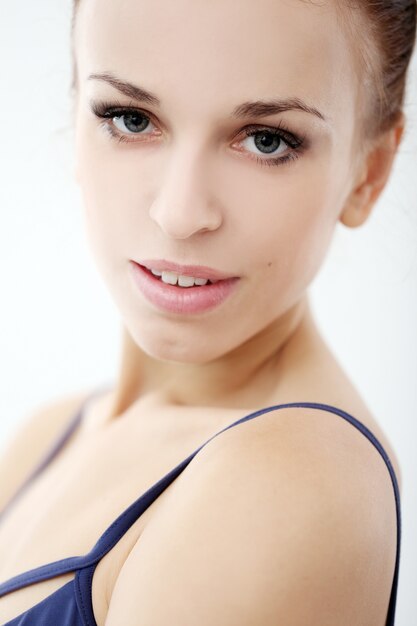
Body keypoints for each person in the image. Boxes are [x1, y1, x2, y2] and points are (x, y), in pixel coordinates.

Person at [0, 0, 415, 624]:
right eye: (130, 118)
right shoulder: (47, 437)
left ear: (369, 175)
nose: (181, 212)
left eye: (267, 140)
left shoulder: (294, 484)